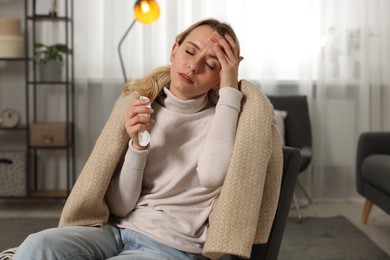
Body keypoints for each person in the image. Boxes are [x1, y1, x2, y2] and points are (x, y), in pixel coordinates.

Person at [14, 18, 244, 260]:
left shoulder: (223, 121)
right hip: (117, 231)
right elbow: (121, 207)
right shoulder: (142, 104)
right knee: (37, 245)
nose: (193, 66)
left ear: (219, 78)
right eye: (189, 51)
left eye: (210, 64)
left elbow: (211, 176)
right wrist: (137, 145)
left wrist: (230, 89)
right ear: (174, 51)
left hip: (172, 246)